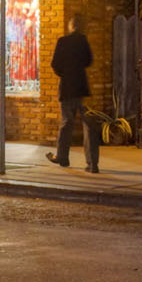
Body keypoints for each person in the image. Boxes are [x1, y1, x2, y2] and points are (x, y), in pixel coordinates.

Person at [48, 13, 97, 173]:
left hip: (67, 88)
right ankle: (92, 163)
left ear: (70, 26)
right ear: (80, 27)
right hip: (81, 88)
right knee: (88, 126)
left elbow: (55, 64)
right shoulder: (83, 41)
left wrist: (65, 74)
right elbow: (89, 61)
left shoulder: (62, 41)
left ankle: (62, 156)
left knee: (66, 123)